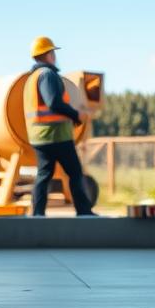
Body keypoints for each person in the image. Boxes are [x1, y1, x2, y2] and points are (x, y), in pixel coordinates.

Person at [23, 36, 95, 217]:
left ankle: (37, 215)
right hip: (56, 135)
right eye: (53, 52)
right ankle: (84, 211)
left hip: (40, 136)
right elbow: (54, 103)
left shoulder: (32, 78)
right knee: (75, 173)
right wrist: (76, 115)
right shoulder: (47, 75)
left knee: (44, 175)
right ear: (48, 54)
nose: (55, 56)